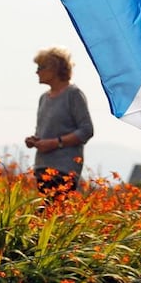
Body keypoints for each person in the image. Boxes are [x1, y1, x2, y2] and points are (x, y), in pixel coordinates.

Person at [25, 46, 94, 197]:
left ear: (54, 69)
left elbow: (86, 130)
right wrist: (35, 141)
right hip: (42, 166)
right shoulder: (44, 98)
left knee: (54, 213)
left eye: (40, 67)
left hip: (64, 168)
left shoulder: (73, 94)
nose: (37, 72)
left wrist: (55, 143)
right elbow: (43, 131)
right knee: (46, 215)